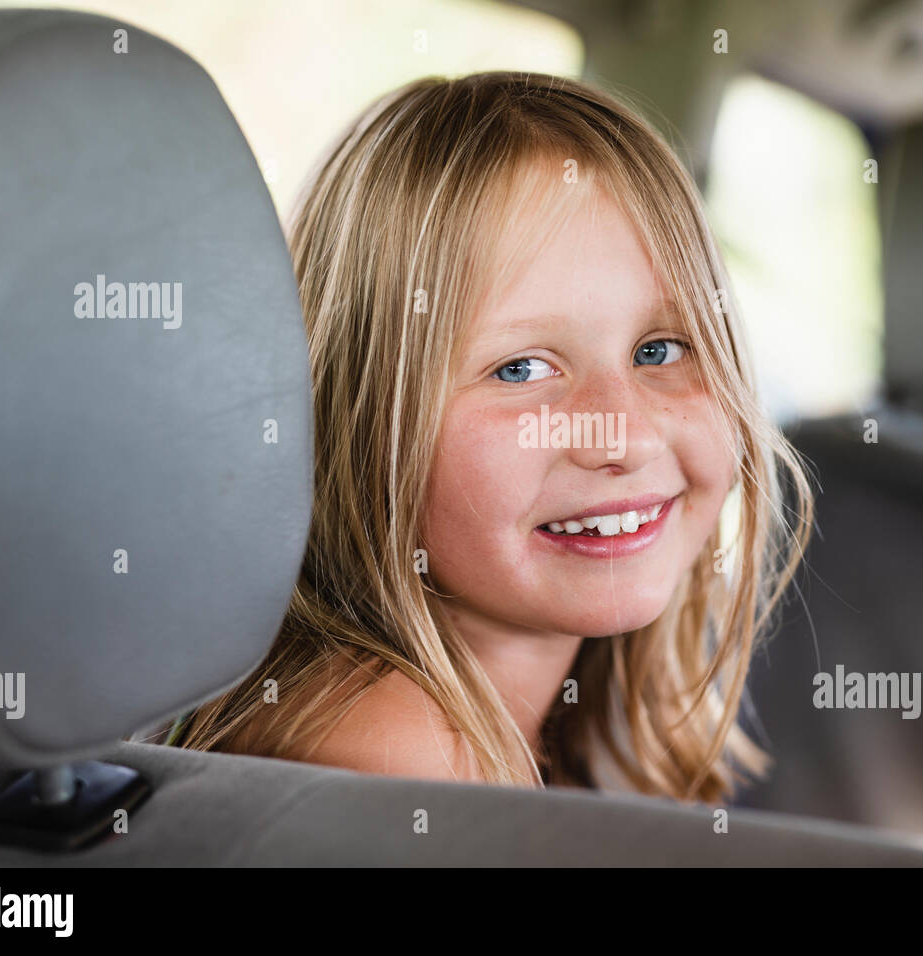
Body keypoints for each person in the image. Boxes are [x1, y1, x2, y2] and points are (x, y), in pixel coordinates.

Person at [169, 71, 812, 804]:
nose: (622, 435)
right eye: (521, 368)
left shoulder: (577, 721)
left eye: (660, 349)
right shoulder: (398, 761)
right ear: (357, 419)